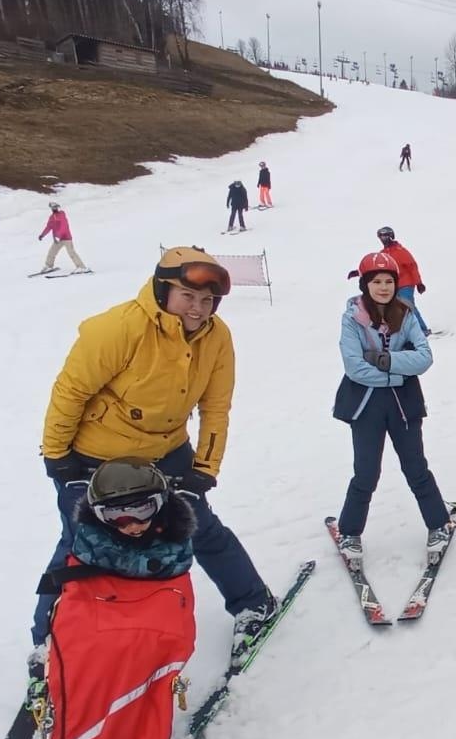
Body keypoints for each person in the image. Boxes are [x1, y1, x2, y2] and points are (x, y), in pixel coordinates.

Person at [35, 246, 276, 671]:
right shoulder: (118, 329)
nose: (198, 309)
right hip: (97, 460)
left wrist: (204, 468)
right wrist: (58, 458)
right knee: (79, 546)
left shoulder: (217, 338)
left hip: (166, 455)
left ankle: (254, 604)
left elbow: (216, 406)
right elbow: (70, 392)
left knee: (200, 528)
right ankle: (49, 642)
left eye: (207, 301)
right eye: (188, 296)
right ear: (163, 290)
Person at [35, 459, 196, 739]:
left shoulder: (173, 537)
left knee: (153, 651)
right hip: (99, 591)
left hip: (156, 592)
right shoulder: (90, 542)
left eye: (143, 509)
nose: (133, 524)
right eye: (116, 516)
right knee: (90, 655)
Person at [332, 252, 451, 561]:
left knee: (415, 466)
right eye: (376, 281)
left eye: (388, 281)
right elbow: (354, 367)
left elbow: (425, 357)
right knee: (366, 472)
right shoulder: (352, 318)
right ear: (365, 285)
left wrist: (386, 361)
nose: (383, 287)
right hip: (366, 405)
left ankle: (438, 523)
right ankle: (350, 531)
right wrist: (398, 375)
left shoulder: (406, 313)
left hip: (403, 404)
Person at [376, 226, 430, 335]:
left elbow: (412, 267)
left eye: (386, 235)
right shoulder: (382, 254)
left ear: (391, 236)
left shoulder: (401, 251)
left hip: (406, 284)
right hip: (393, 286)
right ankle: (405, 332)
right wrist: (359, 272)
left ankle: (423, 330)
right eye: (381, 236)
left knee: (408, 307)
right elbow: (376, 267)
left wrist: (419, 283)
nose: (383, 238)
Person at [37, 201, 88, 274]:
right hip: (58, 239)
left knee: (71, 253)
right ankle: (49, 266)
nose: (54, 208)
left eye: (55, 207)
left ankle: (81, 267)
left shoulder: (62, 214)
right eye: (52, 207)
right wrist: (42, 235)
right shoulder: (51, 217)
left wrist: (58, 236)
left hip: (66, 238)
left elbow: (63, 226)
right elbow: (48, 227)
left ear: (57, 207)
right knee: (51, 252)